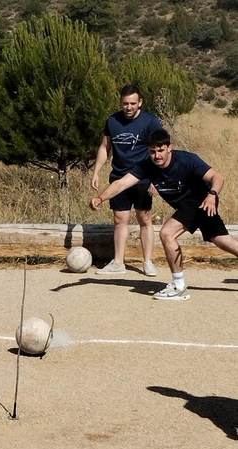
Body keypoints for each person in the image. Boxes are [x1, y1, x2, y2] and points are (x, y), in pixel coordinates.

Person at [90, 128, 238, 300]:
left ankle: (178, 285)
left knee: (167, 233)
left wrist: (212, 195)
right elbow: (122, 183)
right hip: (193, 207)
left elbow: (217, 177)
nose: (157, 156)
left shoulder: (187, 160)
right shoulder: (147, 166)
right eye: (152, 152)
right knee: (223, 240)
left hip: (201, 201)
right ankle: (178, 284)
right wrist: (101, 198)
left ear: (169, 148)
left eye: (160, 150)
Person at [91, 84, 162, 276]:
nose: (128, 107)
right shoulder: (112, 121)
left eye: (132, 103)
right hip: (118, 177)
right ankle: (118, 263)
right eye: (125, 103)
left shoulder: (151, 122)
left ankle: (147, 262)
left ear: (140, 103)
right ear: (120, 103)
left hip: (143, 177)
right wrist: (96, 171)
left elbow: (160, 152)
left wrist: (157, 178)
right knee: (119, 219)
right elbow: (105, 148)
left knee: (144, 218)